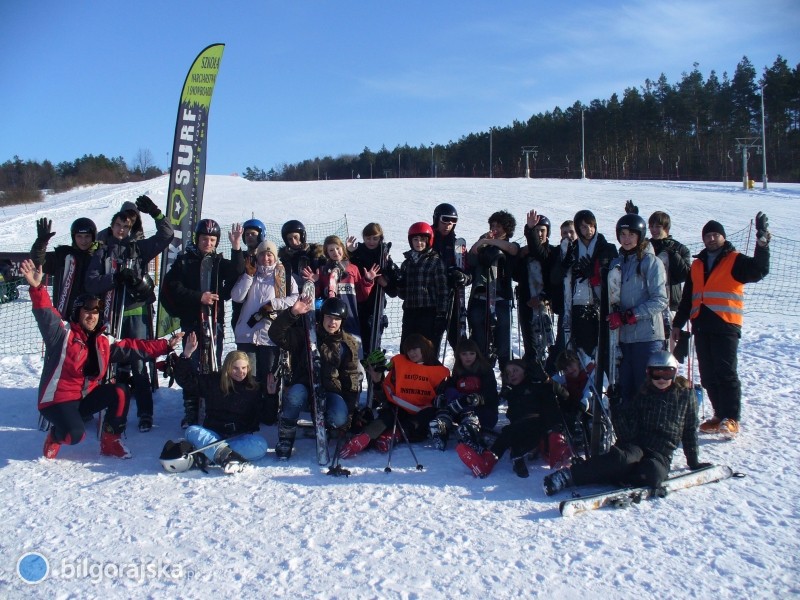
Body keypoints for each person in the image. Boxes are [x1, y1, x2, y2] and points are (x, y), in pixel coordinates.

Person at [20, 259, 181, 460]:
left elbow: (134, 347)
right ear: (78, 313)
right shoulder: (61, 334)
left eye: (95, 313)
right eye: (87, 312)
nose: (91, 316)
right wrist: (37, 289)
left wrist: (165, 346)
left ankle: (110, 442)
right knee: (74, 435)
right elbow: (46, 315)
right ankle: (56, 435)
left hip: (84, 398)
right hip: (57, 401)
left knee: (120, 391)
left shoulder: (103, 341)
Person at [543, 351, 706, 496]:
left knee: (653, 474)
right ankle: (569, 476)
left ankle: (612, 473)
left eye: (667, 374)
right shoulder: (644, 394)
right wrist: (616, 406)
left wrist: (693, 461)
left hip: (661, 452)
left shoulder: (685, 396)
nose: (662, 379)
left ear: (675, 373)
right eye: (657, 374)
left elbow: (690, 429)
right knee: (621, 459)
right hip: (638, 445)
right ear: (649, 374)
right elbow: (626, 433)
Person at [670, 214, 770, 437]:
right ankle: (718, 415)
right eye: (708, 235)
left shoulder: (735, 260)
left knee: (726, 373)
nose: (712, 238)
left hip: (725, 324)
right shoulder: (697, 265)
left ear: (723, 237)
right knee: (707, 375)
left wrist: (762, 243)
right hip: (701, 326)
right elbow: (688, 297)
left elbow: (759, 270)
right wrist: (678, 323)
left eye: (716, 235)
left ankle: (731, 418)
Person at [85, 195, 174, 432]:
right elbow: (91, 283)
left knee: (138, 362)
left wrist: (155, 212)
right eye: (118, 225)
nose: (122, 229)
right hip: (111, 314)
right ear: (111, 226)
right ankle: (115, 413)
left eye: (126, 226)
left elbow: (167, 235)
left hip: (136, 313)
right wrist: (113, 278)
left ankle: (145, 413)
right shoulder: (102, 252)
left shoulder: (138, 248)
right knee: (111, 364)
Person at [161, 219, 245, 428]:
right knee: (193, 364)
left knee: (212, 366)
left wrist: (236, 247)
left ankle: (210, 406)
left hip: (214, 321)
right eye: (205, 239)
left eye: (212, 240)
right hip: (192, 321)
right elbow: (172, 287)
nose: (208, 243)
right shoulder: (184, 261)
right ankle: (191, 409)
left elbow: (237, 273)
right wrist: (199, 296)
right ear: (197, 239)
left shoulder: (217, 262)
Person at [267, 295, 362, 460]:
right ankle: (286, 437)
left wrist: (348, 418)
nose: (332, 322)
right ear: (322, 317)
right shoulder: (307, 335)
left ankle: (328, 426)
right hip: (305, 386)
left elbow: (351, 378)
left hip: (331, 390)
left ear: (342, 321)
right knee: (295, 395)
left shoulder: (348, 344)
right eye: (329, 317)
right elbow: (275, 334)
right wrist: (293, 312)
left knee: (339, 417)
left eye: (337, 319)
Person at [338, 334, 449, 459]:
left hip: (422, 413)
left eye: (415, 349)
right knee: (387, 416)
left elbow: (442, 398)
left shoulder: (438, 370)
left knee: (425, 418)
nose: (412, 353)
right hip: (398, 408)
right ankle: (364, 437)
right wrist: (377, 381)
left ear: (424, 348)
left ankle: (394, 436)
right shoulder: (400, 365)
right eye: (409, 350)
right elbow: (385, 396)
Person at [173, 332, 268, 474]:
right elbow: (186, 381)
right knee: (192, 431)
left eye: (243, 368)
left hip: (239, 437)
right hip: (214, 434)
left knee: (261, 445)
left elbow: (268, 417)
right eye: (235, 368)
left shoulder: (253, 386)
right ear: (227, 368)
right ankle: (227, 456)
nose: (240, 372)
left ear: (248, 368)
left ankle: (209, 455)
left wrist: (271, 396)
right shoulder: (214, 381)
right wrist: (186, 355)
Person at [457, 359, 569, 479]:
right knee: (508, 433)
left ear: (525, 372)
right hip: (518, 426)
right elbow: (493, 401)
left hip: (537, 422)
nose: (512, 374)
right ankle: (489, 460)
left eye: (515, 370)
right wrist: (481, 398)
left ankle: (521, 454)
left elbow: (564, 395)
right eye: (508, 372)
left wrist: (548, 380)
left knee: (515, 432)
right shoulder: (510, 391)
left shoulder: (536, 385)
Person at [230, 240, 298, 424]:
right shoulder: (250, 273)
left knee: (268, 376)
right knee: (247, 377)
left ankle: (268, 412)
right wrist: (248, 276)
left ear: (275, 257)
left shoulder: (284, 275)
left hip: (270, 334)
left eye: (270, 255)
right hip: (247, 333)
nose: (266, 258)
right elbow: (236, 297)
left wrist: (274, 304)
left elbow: (295, 298)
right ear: (257, 256)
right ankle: (247, 412)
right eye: (262, 254)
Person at [608, 213, 668, 405]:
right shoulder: (617, 263)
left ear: (640, 236)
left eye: (631, 235)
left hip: (647, 337)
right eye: (622, 234)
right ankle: (627, 432)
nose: (626, 239)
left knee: (645, 390)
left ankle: (649, 432)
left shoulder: (651, 262)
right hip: (624, 339)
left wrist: (630, 316)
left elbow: (660, 300)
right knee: (626, 389)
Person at [625, 202, 692, 348]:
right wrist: (632, 217)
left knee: (669, 347)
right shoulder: (645, 246)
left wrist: (672, 253)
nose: (654, 230)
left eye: (658, 227)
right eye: (651, 226)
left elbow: (685, 275)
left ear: (666, 228)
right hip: (648, 302)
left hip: (670, 303)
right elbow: (630, 245)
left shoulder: (679, 248)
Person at [555, 209, 618, 360]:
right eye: (583, 227)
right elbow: (555, 278)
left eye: (591, 225)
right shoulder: (571, 249)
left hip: (603, 304)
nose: (588, 230)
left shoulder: (607, 248)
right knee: (582, 349)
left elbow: (616, 279)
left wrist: (596, 274)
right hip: (578, 302)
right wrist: (565, 265)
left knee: (603, 349)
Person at [304, 234, 377, 351]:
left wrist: (367, 281)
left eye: (337, 248)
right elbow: (319, 295)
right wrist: (316, 282)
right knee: (332, 350)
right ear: (327, 253)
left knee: (352, 350)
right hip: (330, 319)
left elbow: (361, 296)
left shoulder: (353, 269)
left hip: (350, 316)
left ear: (342, 248)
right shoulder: (323, 270)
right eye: (331, 250)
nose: (335, 252)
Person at [467, 210, 520, 370]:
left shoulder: (509, 245)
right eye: (493, 225)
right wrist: (482, 241)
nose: (495, 229)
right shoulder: (483, 243)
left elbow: (512, 249)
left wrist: (490, 242)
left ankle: (507, 381)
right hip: (480, 297)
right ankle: (481, 376)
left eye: (499, 226)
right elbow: (472, 256)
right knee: (479, 338)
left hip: (501, 298)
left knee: (503, 342)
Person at [384, 222, 449, 350]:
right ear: (410, 241)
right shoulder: (407, 263)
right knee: (407, 348)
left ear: (429, 240)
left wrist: (441, 314)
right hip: (410, 312)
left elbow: (442, 291)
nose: (419, 243)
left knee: (426, 349)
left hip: (429, 312)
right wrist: (397, 277)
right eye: (415, 239)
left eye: (422, 240)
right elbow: (402, 294)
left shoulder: (435, 262)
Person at [429, 338, 499, 452]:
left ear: (477, 354)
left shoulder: (485, 371)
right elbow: (450, 390)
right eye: (464, 354)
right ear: (459, 356)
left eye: (472, 353)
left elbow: (491, 393)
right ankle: (442, 427)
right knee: (450, 393)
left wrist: (477, 398)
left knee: (481, 417)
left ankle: (471, 432)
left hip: (483, 409)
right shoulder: (457, 372)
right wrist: (441, 396)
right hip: (462, 410)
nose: (468, 357)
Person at [30, 216, 98, 319]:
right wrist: (40, 244)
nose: (83, 241)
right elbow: (39, 262)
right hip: (66, 314)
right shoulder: (63, 255)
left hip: (91, 316)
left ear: (93, 236)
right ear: (73, 237)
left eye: (87, 236)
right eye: (79, 236)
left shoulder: (100, 256)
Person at [515, 210, 559, 369]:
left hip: (545, 305)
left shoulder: (552, 252)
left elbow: (542, 256)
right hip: (527, 304)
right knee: (531, 345)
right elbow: (515, 275)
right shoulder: (525, 253)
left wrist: (543, 297)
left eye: (542, 230)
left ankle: (548, 378)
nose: (539, 233)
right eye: (536, 230)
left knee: (549, 344)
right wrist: (519, 257)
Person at [347, 223, 395, 355]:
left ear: (380, 238)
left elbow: (393, 289)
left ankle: (373, 372)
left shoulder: (384, 257)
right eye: (368, 238)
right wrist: (350, 252)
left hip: (375, 305)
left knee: (372, 344)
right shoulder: (357, 252)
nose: (371, 242)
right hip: (356, 303)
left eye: (375, 238)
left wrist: (385, 282)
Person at [430, 203, 471, 352]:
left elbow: (468, 272)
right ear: (436, 219)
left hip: (452, 299)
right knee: (431, 341)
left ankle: (461, 373)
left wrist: (463, 277)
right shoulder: (426, 241)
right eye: (445, 220)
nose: (449, 225)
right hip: (431, 300)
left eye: (453, 221)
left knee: (457, 339)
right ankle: (432, 373)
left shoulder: (457, 245)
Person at [230, 217, 268, 331]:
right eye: (247, 235)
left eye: (253, 234)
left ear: (261, 235)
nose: (250, 237)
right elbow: (237, 270)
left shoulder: (268, 258)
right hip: (241, 309)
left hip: (262, 308)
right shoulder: (240, 256)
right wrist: (235, 246)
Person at [278, 219, 324, 290]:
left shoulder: (314, 254)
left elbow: (327, 274)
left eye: (296, 237)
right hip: (292, 294)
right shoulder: (285, 259)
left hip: (316, 292)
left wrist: (318, 278)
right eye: (290, 239)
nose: (293, 241)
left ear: (302, 236)